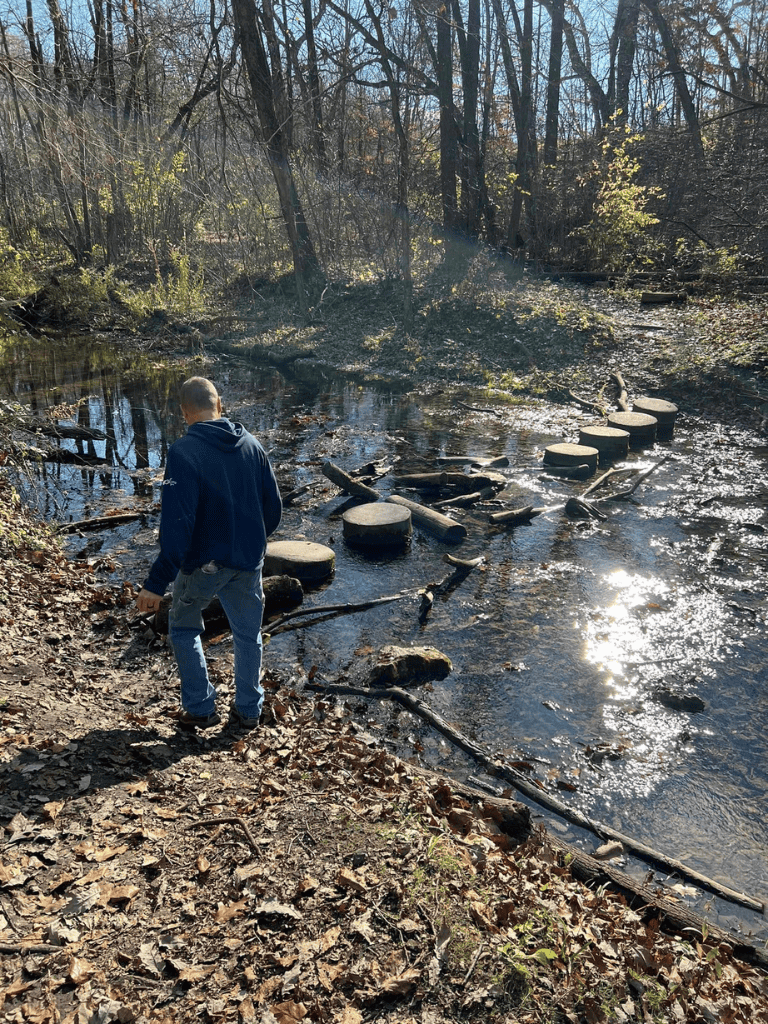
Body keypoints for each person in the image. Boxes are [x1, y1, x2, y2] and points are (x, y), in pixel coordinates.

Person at [136, 377, 282, 729]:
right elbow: (273, 509)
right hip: (247, 562)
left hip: (202, 565)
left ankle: (201, 709)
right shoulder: (252, 445)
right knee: (248, 636)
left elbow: (176, 527)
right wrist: (252, 542)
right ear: (220, 405)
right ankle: (249, 710)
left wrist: (156, 583)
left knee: (184, 629)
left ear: (184, 412)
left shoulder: (183, 453)